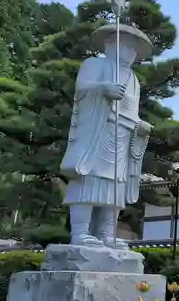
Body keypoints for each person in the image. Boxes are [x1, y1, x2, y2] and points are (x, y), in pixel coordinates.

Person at [60, 24, 153, 248]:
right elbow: (82, 89)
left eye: (134, 50)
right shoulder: (94, 64)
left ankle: (106, 233)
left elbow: (131, 111)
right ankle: (80, 232)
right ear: (110, 44)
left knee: (116, 184)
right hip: (97, 130)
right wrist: (102, 88)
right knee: (89, 178)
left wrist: (139, 125)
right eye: (126, 46)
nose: (130, 53)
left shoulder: (133, 79)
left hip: (122, 136)